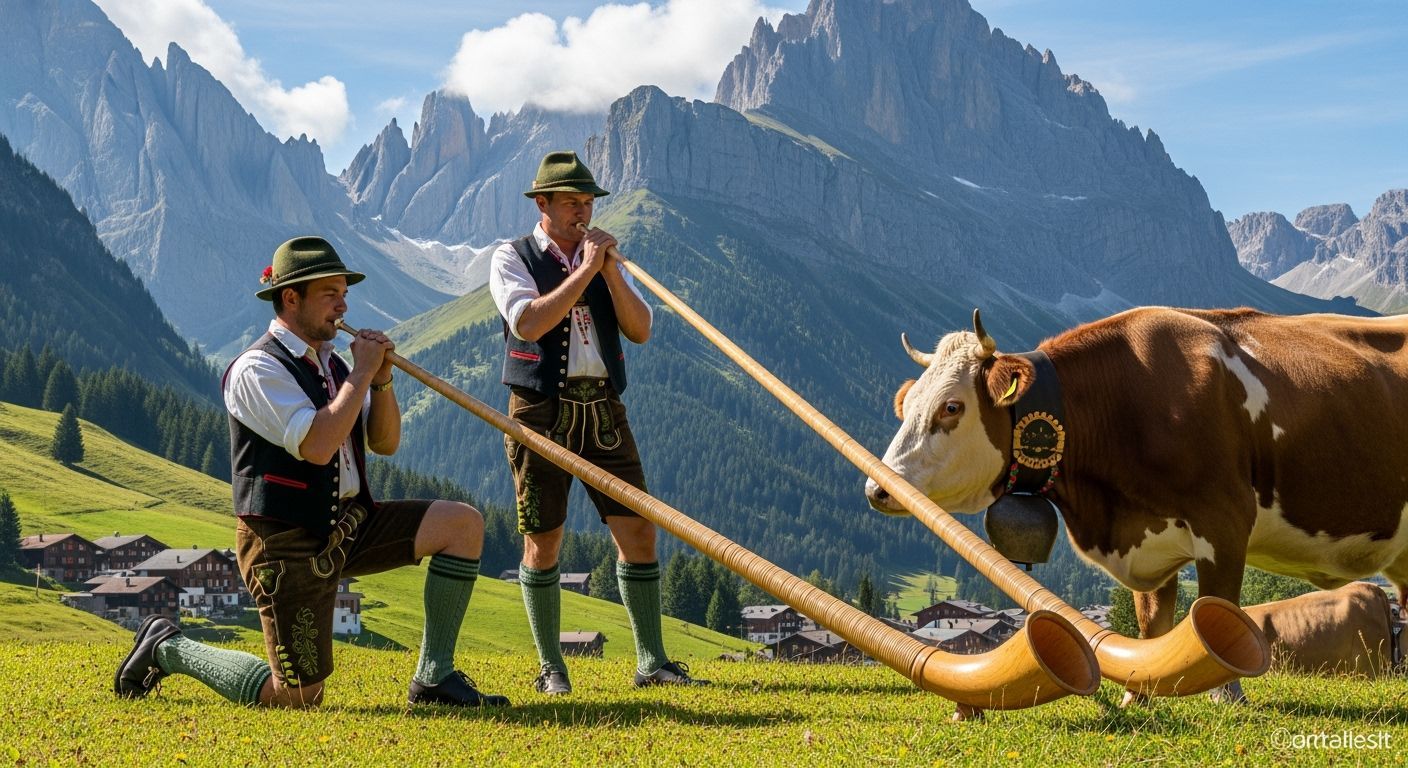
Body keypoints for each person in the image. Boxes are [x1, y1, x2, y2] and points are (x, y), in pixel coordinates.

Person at [114, 236, 509, 709]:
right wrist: (362, 375)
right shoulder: (256, 369)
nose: (343, 306)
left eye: (345, 293)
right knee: (298, 695)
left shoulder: (336, 365)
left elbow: (384, 442)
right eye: (330, 294)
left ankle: (434, 679)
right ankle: (167, 646)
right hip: (285, 540)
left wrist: (380, 381)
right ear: (291, 298)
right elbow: (318, 446)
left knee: (462, 525)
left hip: (348, 523)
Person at [490, 150, 707, 695]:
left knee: (638, 528)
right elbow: (528, 322)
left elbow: (640, 329)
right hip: (541, 412)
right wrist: (585, 269)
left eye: (587, 202)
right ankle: (551, 667)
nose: (582, 213)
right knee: (544, 538)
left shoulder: (602, 260)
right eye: (570, 203)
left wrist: (608, 271)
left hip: (605, 409)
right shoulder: (510, 258)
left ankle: (651, 661)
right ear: (542, 205)